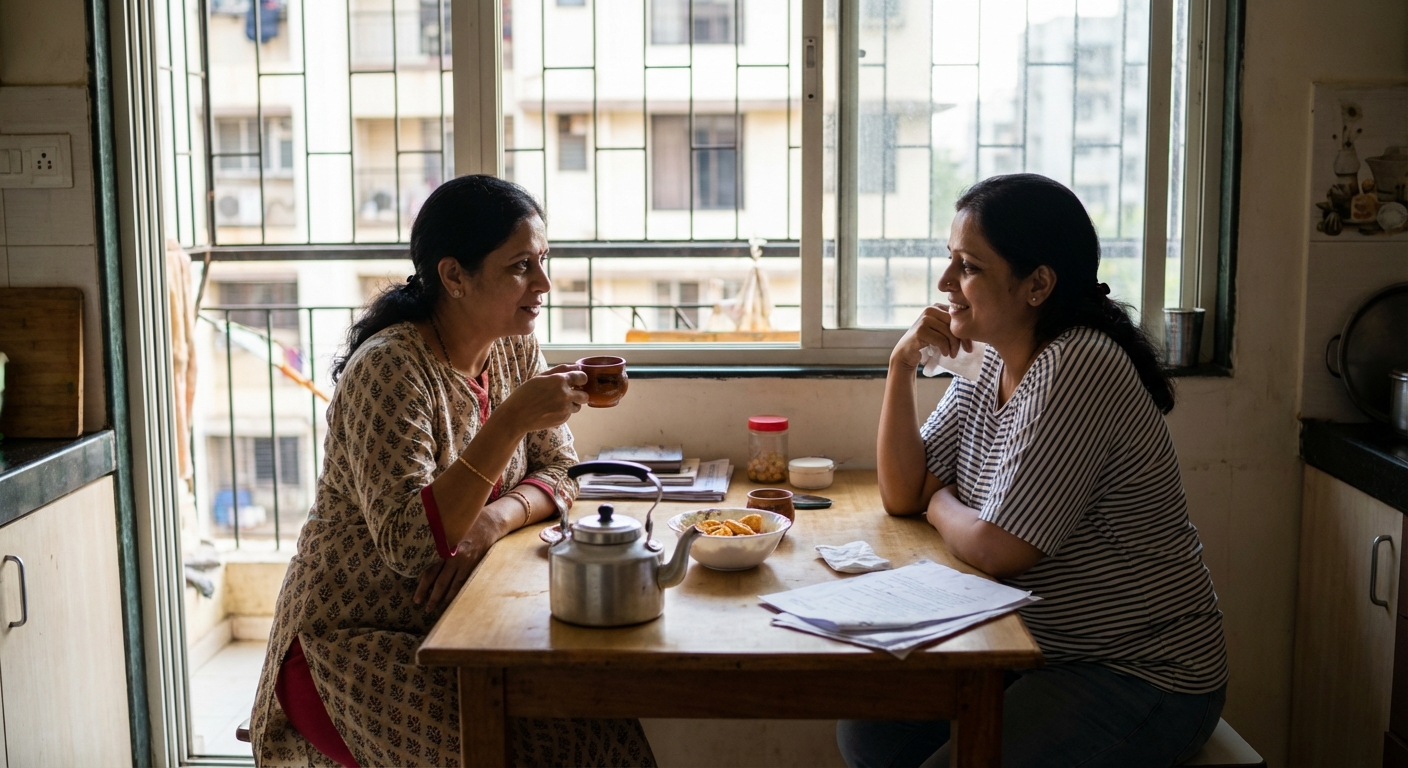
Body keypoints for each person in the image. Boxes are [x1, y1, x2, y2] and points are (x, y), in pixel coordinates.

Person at [250, 175, 657, 768]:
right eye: (521, 266)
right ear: (454, 276)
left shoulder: (513, 348)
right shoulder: (389, 372)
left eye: (543, 261)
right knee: (503, 753)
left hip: (463, 622)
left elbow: (564, 470)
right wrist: (509, 423)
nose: (543, 284)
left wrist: (492, 521)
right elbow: (415, 548)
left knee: (599, 729)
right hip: (354, 643)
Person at [841, 174, 1228, 768]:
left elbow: (1002, 548)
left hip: (1138, 671)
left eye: (968, 266)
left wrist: (939, 502)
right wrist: (900, 366)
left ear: (1037, 284)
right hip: (1033, 650)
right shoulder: (995, 356)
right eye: (950, 262)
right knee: (869, 728)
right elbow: (900, 494)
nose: (945, 284)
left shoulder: (1078, 363)